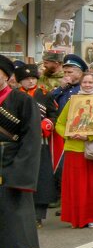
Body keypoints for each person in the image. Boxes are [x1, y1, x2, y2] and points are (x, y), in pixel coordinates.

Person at [54, 71, 93, 229]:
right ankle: (76, 217)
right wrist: (69, 134)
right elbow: (59, 123)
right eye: (84, 82)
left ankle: (92, 216)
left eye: (90, 82)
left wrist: (89, 136)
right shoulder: (72, 101)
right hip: (74, 149)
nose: (87, 85)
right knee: (76, 187)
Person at [0, 56, 42, 248]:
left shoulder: (22, 100)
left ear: (6, 76)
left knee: (14, 211)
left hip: (12, 159)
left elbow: (31, 138)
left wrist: (21, 169)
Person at [13, 64, 57, 226]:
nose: (30, 82)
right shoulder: (14, 95)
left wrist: (48, 123)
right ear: (20, 82)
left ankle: (39, 214)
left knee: (41, 176)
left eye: (33, 78)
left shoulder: (44, 94)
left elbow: (53, 114)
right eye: (26, 79)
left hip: (40, 140)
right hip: (20, 140)